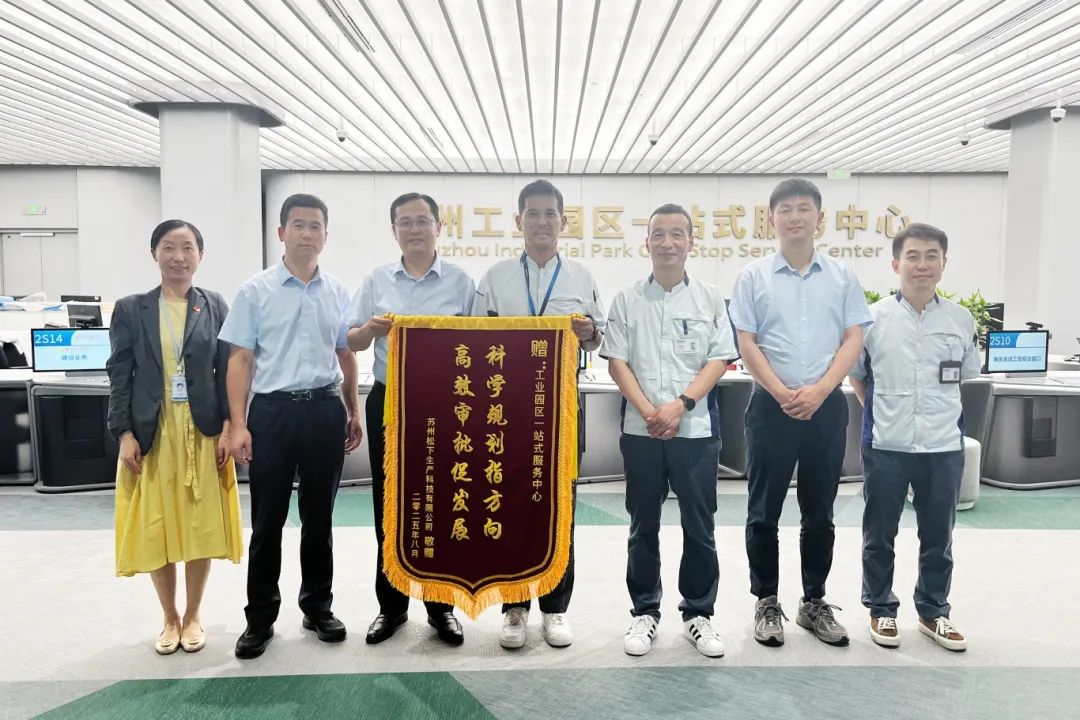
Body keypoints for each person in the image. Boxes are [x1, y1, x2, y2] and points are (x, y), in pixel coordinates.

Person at [728, 178, 872, 647]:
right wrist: (781, 392)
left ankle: (814, 602)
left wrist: (821, 389)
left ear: (819, 218)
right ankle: (766, 601)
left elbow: (854, 337)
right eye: (785, 209)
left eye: (804, 208)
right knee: (762, 512)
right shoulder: (753, 277)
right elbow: (746, 341)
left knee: (820, 512)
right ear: (772, 219)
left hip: (826, 408)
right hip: (770, 408)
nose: (795, 216)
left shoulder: (842, 276)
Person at [221, 194, 362, 659]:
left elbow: (345, 355)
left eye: (315, 225)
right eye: (298, 225)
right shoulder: (255, 291)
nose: (307, 233)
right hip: (272, 414)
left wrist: (352, 409)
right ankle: (260, 619)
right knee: (268, 521)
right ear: (281, 233)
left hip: (323, 410)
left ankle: (317, 607)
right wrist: (238, 424)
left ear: (326, 235)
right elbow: (240, 360)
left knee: (319, 519)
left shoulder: (338, 292)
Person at [472, 178, 606, 649]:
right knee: (508, 504)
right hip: (506, 412)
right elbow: (475, 339)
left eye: (551, 213)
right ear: (519, 221)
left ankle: (555, 608)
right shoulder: (495, 278)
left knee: (559, 508)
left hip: (563, 409)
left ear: (563, 222)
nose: (542, 222)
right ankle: (514, 607)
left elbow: (598, 338)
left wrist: (588, 332)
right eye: (533, 213)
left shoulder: (582, 277)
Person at [601, 204, 738, 658]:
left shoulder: (710, 299)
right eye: (658, 233)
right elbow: (617, 361)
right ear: (647, 242)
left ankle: (699, 613)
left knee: (700, 526)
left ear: (691, 242)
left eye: (677, 233)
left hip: (695, 432)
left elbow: (718, 359)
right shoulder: (626, 300)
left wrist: (679, 406)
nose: (667, 242)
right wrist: (650, 412)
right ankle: (645, 612)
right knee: (643, 525)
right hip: (640, 432)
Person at [108, 219, 242, 655]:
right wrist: (124, 432)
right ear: (154, 254)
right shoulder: (132, 308)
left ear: (200, 255)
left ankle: (194, 615)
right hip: (153, 429)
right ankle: (169, 616)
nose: (178, 257)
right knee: (158, 524)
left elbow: (228, 369)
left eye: (188, 248)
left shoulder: (215, 304)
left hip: (202, 430)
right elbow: (120, 373)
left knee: (199, 523)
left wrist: (229, 424)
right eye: (169, 247)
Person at [347, 192, 476, 646]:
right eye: (406, 222)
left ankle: (441, 608)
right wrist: (370, 330)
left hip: (447, 405)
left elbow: (480, 346)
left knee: (444, 502)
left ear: (439, 227)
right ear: (394, 230)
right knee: (390, 503)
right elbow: (352, 340)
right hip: (391, 401)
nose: (415, 229)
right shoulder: (377, 279)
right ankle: (391, 607)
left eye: (423, 221)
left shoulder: (461, 283)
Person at [849, 223, 977, 652]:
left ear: (944, 262)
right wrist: (881, 413)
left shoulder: (961, 320)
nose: (922, 264)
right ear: (895, 264)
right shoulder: (873, 319)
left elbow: (966, 375)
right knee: (879, 534)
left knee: (939, 536)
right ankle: (881, 609)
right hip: (887, 444)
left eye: (931, 256)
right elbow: (858, 376)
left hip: (943, 446)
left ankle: (933, 611)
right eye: (913, 256)